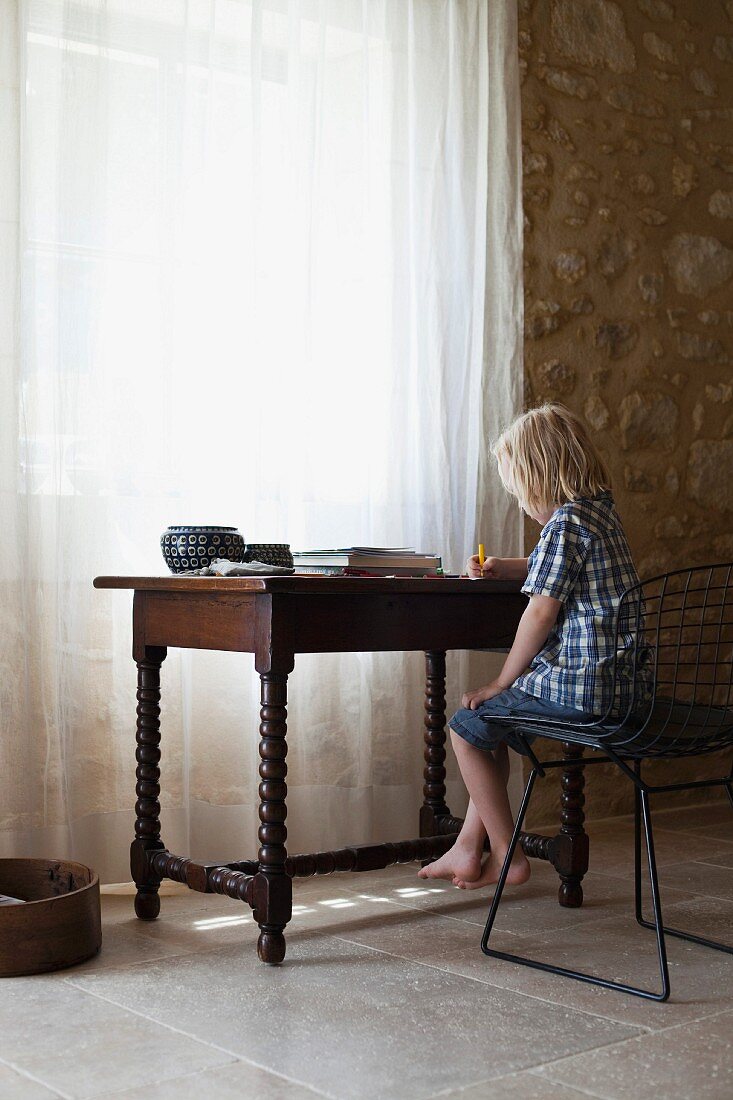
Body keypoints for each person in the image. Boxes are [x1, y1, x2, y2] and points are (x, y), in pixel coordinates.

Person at [419, 402, 645, 891]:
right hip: (623, 685)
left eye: (521, 495)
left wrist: (503, 679)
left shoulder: (564, 524)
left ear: (541, 478)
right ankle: (465, 848)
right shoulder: (599, 513)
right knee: (488, 728)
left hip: (583, 685)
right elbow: (563, 564)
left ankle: (507, 853)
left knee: (465, 728)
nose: (522, 506)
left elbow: (542, 611)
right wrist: (507, 566)